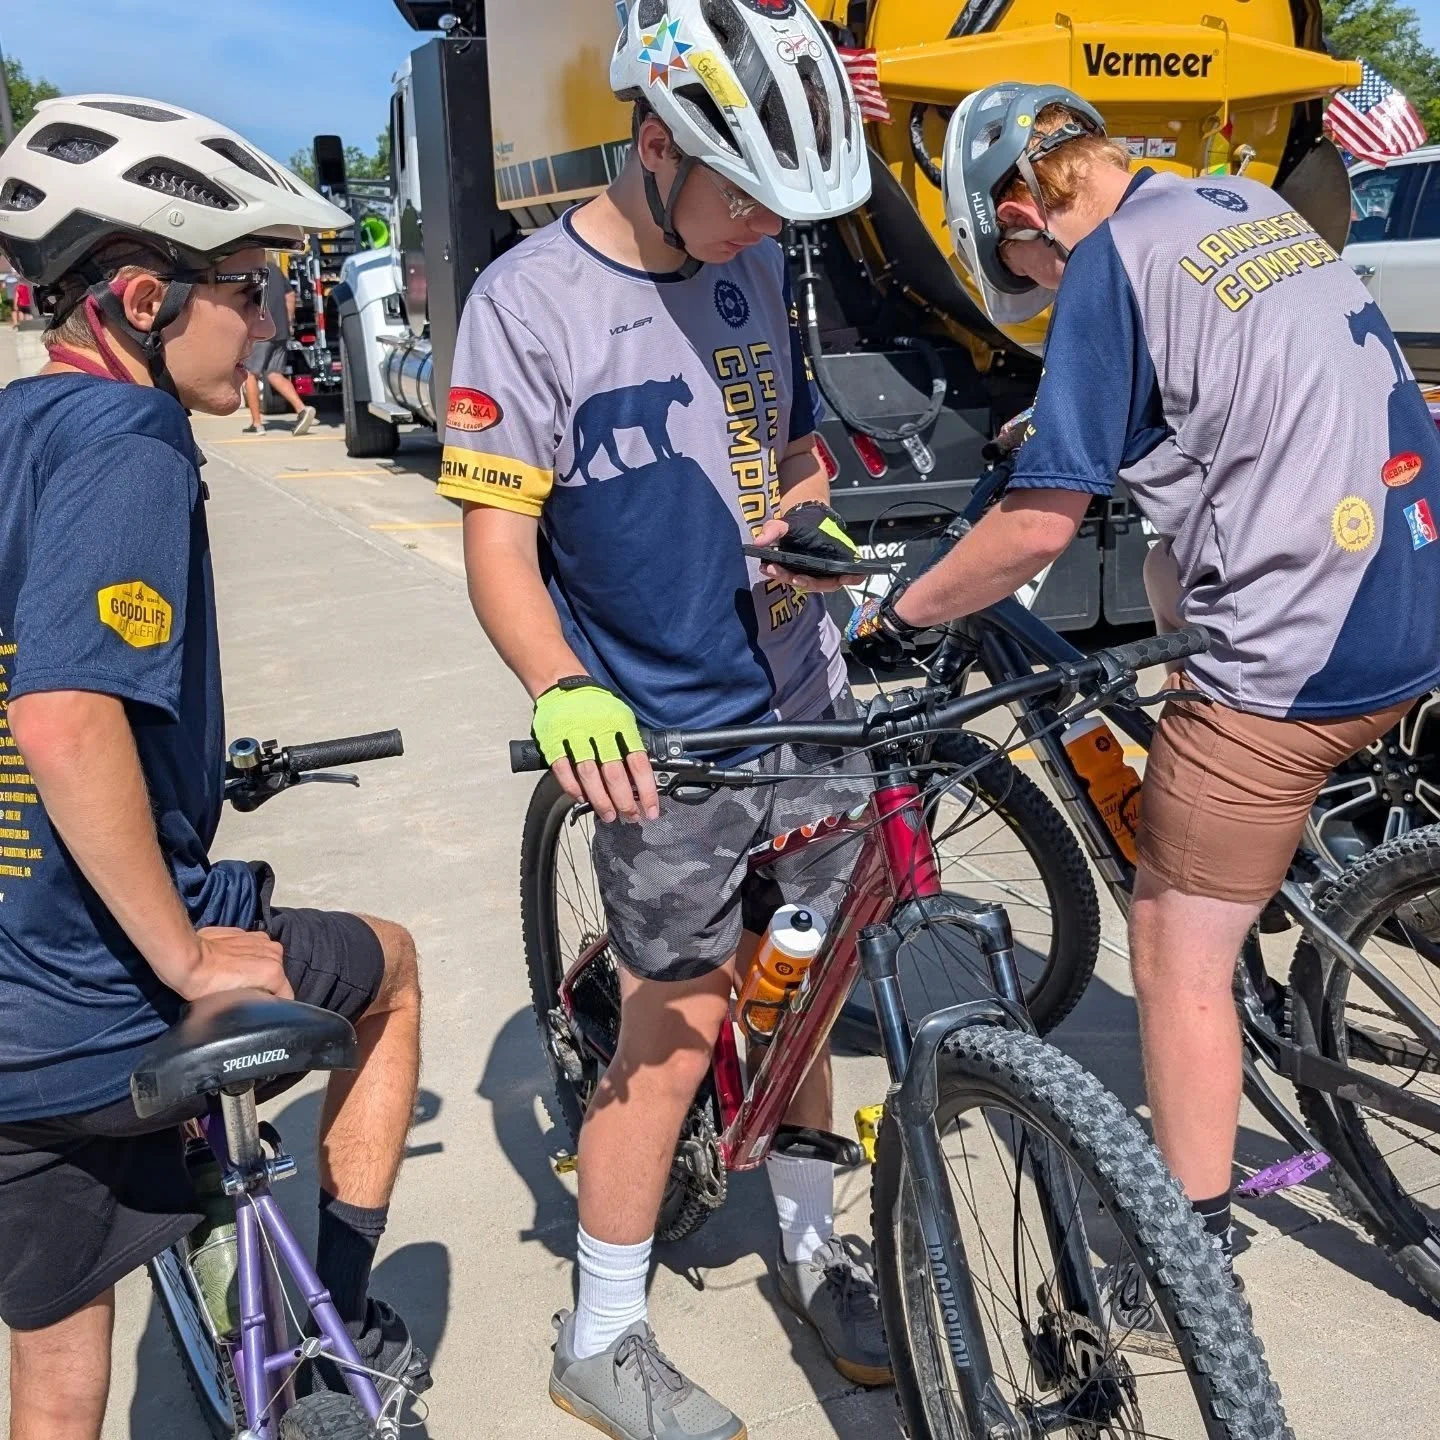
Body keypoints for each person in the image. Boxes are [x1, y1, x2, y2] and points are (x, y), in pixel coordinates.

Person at [849, 81, 1440, 1278]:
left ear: (1024, 213)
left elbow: (1034, 530)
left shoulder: (1109, 262)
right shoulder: (1235, 203)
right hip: (1413, 586)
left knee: (1171, 943)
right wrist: (1063, 420)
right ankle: (1281, 873)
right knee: (1169, 570)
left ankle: (1190, 1254)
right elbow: (1231, 372)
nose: (1039, 286)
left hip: (1305, 645)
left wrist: (896, 617)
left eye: (1024, 267)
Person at [441, 1, 880, 1433]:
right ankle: (601, 1334)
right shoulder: (527, 302)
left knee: (808, 988)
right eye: (743, 196)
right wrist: (559, 682)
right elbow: (499, 545)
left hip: (805, 698)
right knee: (678, 1032)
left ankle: (813, 1249)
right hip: (666, 732)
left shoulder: (753, 263)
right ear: (652, 148)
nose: (765, 227)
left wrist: (807, 516)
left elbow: (795, 448)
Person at [0, 96, 428, 1440]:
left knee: (53, 1376)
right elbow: (63, 715)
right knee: (394, 966)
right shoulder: (128, 443)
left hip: (9, 1008)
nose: (273, 318)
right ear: (144, 300)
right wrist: (183, 951)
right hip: (103, 997)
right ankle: (338, 1326)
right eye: (248, 289)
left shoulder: (18, 425)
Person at [241, 254, 317, 434]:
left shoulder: (252, 271)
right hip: (281, 330)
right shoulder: (275, 270)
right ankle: (302, 409)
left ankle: (257, 424)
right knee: (274, 373)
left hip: (261, 330)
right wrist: (288, 321)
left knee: (250, 374)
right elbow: (290, 295)